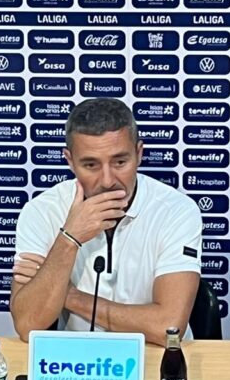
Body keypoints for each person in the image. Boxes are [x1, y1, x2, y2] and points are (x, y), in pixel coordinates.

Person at [11, 98, 202, 346]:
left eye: (120, 162)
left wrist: (69, 296)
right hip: (76, 359)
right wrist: (69, 238)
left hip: (156, 355)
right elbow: (27, 325)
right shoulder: (42, 211)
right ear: (70, 161)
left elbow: (168, 328)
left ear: (139, 154)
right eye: (91, 165)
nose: (108, 181)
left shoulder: (176, 211)